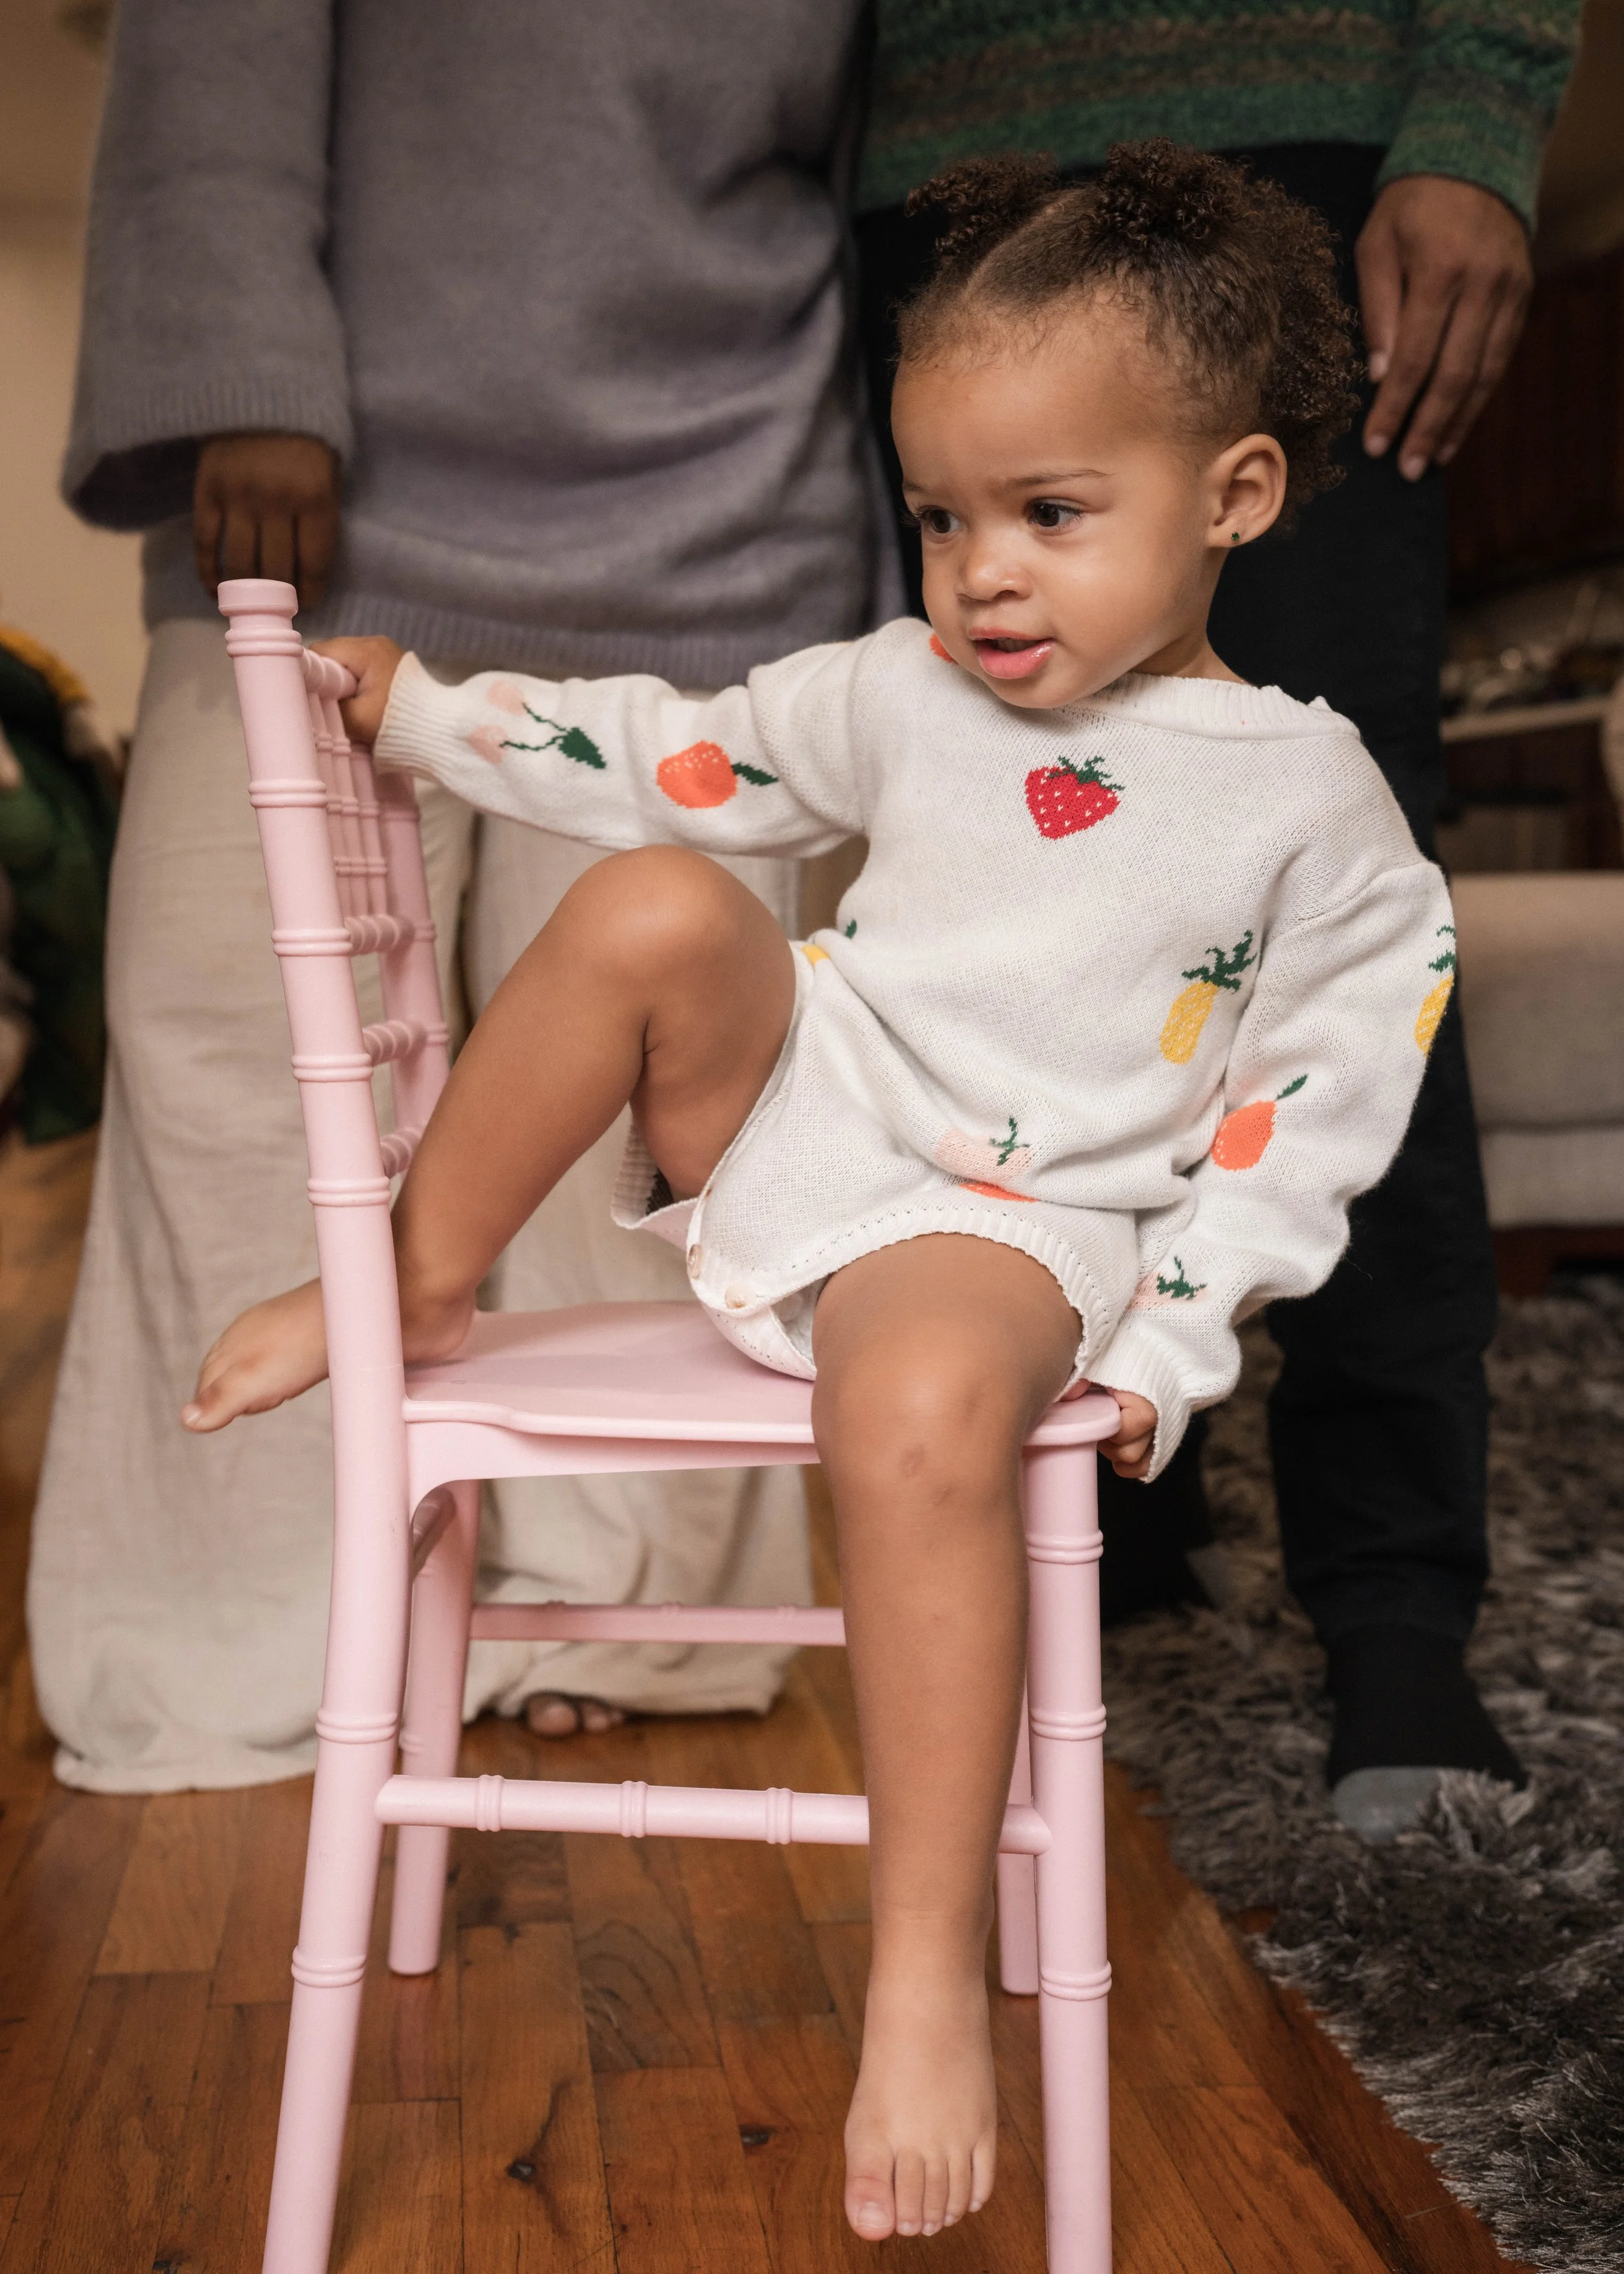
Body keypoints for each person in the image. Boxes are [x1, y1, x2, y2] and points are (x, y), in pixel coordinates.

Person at [188, 144, 1453, 2240]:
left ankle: (924, 1970)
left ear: (1230, 496)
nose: (983, 574)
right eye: (944, 514)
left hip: (1013, 1218)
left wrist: (1176, 1321)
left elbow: (1323, 1083)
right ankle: (410, 1274)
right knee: (665, 896)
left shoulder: (1304, 794)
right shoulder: (901, 686)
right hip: (807, 1114)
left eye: (1051, 514)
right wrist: (425, 712)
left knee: (926, 1409)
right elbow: (660, 755)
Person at [30, 0, 891, 1792]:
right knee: (247, 1070)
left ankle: (615, 1608)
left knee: (659, 1121)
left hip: (737, 478)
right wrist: (241, 372)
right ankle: (230, 1644)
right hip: (331, 480)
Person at [852, 0, 1580, 1839]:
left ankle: (1397, 1604)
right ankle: (1106, 1501)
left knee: (1342, 898)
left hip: (1304, 150)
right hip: (931, 187)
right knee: (1008, 873)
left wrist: (1477, 115)